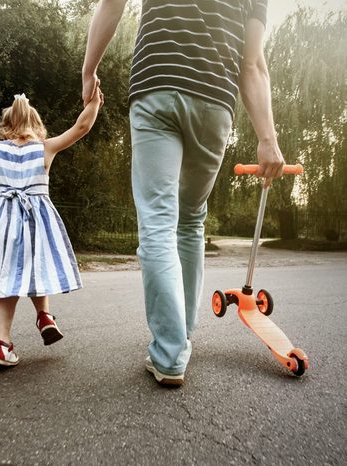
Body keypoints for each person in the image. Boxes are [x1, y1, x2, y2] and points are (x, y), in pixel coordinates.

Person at [81, 0, 285, 386]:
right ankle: (182, 333)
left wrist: (89, 70)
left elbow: (112, 3)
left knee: (158, 220)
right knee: (190, 218)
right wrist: (267, 138)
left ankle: (170, 353)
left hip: (157, 82)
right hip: (214, 97)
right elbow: (253, 63)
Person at [0, 88, 103, 367]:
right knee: (36, 267)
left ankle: (1, 345)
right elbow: (82, 126)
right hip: (37, 218)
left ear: (6, 125)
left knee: (8, 280)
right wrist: (95, 101)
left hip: (4, 219)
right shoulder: (45, 147)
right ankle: (45, 317)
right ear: (37, 124)